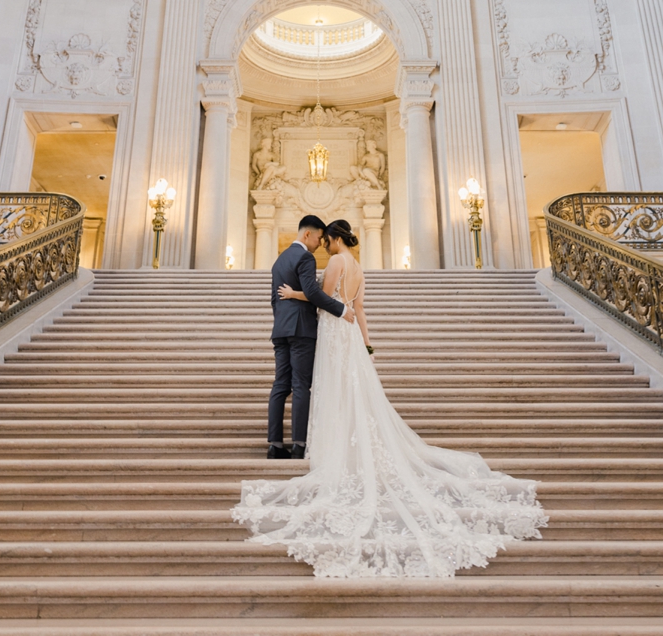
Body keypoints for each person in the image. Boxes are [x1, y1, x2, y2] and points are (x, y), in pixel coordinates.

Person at [233, 219, 547, 578]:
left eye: (327, 240)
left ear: (333, 239)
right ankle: (318, 440)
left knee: (322, 388)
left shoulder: (334, 263)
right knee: (347, 391)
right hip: (350, 335)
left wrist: (294, 296)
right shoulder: (359, 267)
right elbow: (359, 308)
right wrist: (366, 345)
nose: (324, 245)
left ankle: (313, 442)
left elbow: (322, 299)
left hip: (333, 331)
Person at [265, 215, 352, 461]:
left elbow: (274, 299)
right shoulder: (305, 257)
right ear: (307, 235)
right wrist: (342, 310)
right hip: (301, 330)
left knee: (280, 385)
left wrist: (281, 322)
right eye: (318, 238)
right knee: (301, 385)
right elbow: (313, 292)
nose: (319, 243)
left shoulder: (279, 259)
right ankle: (299, 445)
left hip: (281, 329)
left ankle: (274, 445)